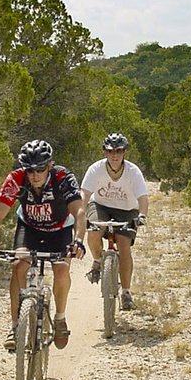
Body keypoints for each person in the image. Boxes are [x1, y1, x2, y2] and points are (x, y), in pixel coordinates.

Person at [0, 139, 86, 351]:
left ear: (50, 165)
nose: (34, 175)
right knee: (19, 265)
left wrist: (78, 241)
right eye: (29, 170)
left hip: (60, 229)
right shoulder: (17, 179)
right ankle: (15, 326)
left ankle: (60, 318)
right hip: (29, 228)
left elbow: (80, 212)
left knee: (61, 270)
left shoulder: (63, 177)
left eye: (40, 169)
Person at [80, 133, 148, 310]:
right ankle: (97, 260)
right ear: (105, 152)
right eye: (110, 151)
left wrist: (142, 216)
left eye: (118, 151)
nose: (114, 155)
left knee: (124, 246)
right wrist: (80, 212)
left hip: (127, 210)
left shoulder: (133, 171)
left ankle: (125, 293)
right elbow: (85, 194)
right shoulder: (96, 169)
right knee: (94, 231)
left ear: (124, 152)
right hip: (101, 205)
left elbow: (143, 197)